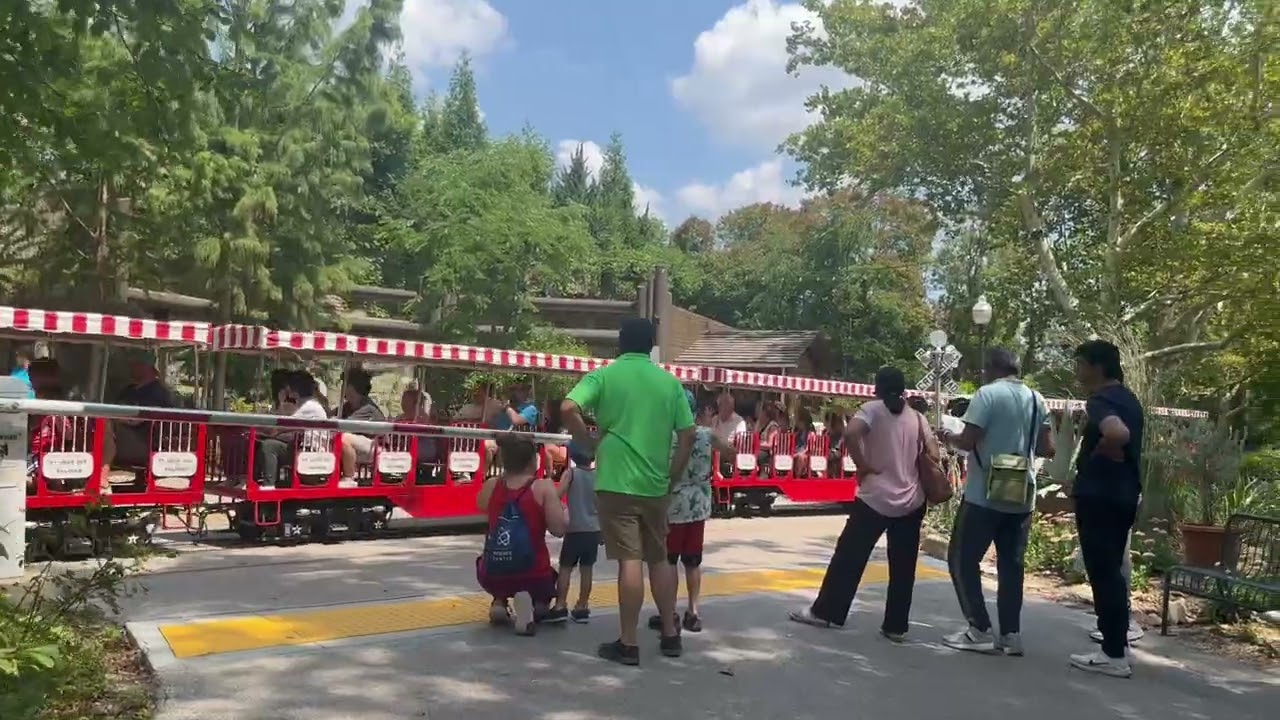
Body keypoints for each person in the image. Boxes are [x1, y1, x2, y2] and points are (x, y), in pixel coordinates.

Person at [561, 317, 695, 666]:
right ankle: (669, 633)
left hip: (616, 482)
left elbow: (567, 407)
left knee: (629, 561)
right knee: (659, 558)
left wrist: (586, 440)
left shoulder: (604, 376)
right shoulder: (669, 383)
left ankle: (629, 642)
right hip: (655, 485)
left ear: (620, 343)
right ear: (651, 346)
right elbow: (689, 434)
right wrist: (673, 475)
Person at [789, 366, 933, 640]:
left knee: (848, 558)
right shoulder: (917, 418)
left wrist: (863, 465)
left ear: (876, 388)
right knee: (903, 566)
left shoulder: (872, 410)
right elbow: (932, 451)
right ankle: (895, 626)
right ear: (903, 390)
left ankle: (827, 613)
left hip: (875, 498)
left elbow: (850, 434)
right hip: (911, 501)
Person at [938, 349, 1054, 657]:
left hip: (983, 495)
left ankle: (979, 628)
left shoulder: (986, 396)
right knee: (1011, 567)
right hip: (1021, 495)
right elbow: (1048, 447)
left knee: (962, 559)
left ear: (992, 368)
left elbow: (968, 440)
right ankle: (1011, 635)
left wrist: (948, 436)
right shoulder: (1037, 399)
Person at [1069, 340, 1144, 678]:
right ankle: (1118, 642)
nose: (1078, 370)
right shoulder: (1130, 399)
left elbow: (1117, 432)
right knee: (1113, 571)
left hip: (1100, 496)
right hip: (1125, 495)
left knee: (1103, 574)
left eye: (1081, 363)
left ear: (1097, 367)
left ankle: (1113, 654)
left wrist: (1104, 448)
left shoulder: (1100, 400)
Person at [648, 389, 735, 634]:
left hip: (673, 505)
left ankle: (670, 612)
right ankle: (693, 612)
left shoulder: (665, 436)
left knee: (669, 560)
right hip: (699, 504)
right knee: (693, 561)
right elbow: (731, 451)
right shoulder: (707, 435)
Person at [475, 433, 566, 636]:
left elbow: (481, 506)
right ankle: (536, 605)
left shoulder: (492, 485)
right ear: (534, 460)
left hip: (494, 573)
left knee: (488, 563)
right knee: (547, 578)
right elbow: (558, 530)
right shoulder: (543, 487)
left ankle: (499, 601)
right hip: (533, 573)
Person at [548, 441, 599, 623]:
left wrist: (561, 507)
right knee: (587, 569)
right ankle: (582, 606)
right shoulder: (599, 476)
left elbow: (557, 494)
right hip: (593, 531)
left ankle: (561, 604)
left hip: (575, 530)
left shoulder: (571, 474)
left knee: (566, 568)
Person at [256, 371, 329, 488]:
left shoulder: (308, 407)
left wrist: (281, 402)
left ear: (293, 389)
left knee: (269, 446)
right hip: (301, 447)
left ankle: (268, 485)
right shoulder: (305, 404)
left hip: (308, 452)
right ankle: (254, 480)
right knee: (262, 443)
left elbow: (282, 426)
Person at [113, 352, 176, 467]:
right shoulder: (128, 389)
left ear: (147, 367)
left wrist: (115, 420)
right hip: (122, 435)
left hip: (144, 441)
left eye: (136, 364)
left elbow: (139, 419)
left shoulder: (159, 392)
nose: (132, 368)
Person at [338, 367, 386, 482]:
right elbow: (330, 416)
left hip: (375, 446)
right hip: (362, 443)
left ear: (350, 387)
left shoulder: (367, 407)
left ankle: (348, 477)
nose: (342, 388)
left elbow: (343, 425)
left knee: (344, 438)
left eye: (344, 384)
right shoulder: (348, 406)